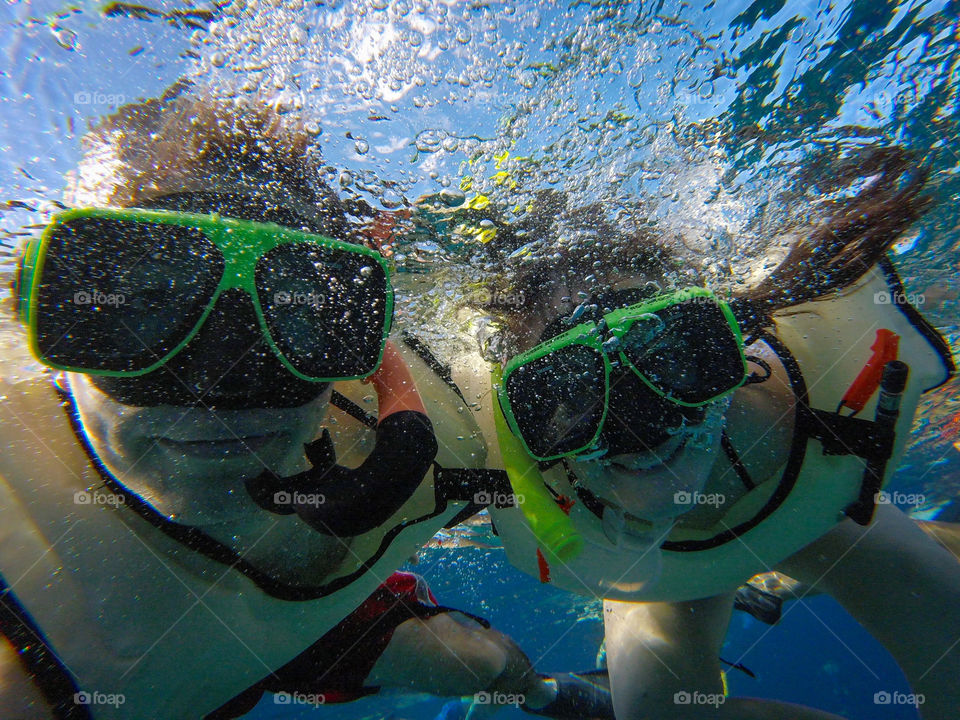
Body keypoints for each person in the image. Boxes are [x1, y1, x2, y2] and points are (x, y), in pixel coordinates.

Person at [0, 82, 570, 719]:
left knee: (481, 665)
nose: (219, 386)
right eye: (143, 307)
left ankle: (549, 694)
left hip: (315, 632)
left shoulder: (450, 419)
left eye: (294, 321)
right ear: (35, 301)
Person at [465, 150, 960, 719]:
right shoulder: (504, 461)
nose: (638, 424)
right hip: (666, 571)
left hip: (806, 511)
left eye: (663, 354)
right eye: (572, 389)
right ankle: (757, 580)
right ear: (522, 414)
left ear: (721, 345)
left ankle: (773, 577)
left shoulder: (796, 409)